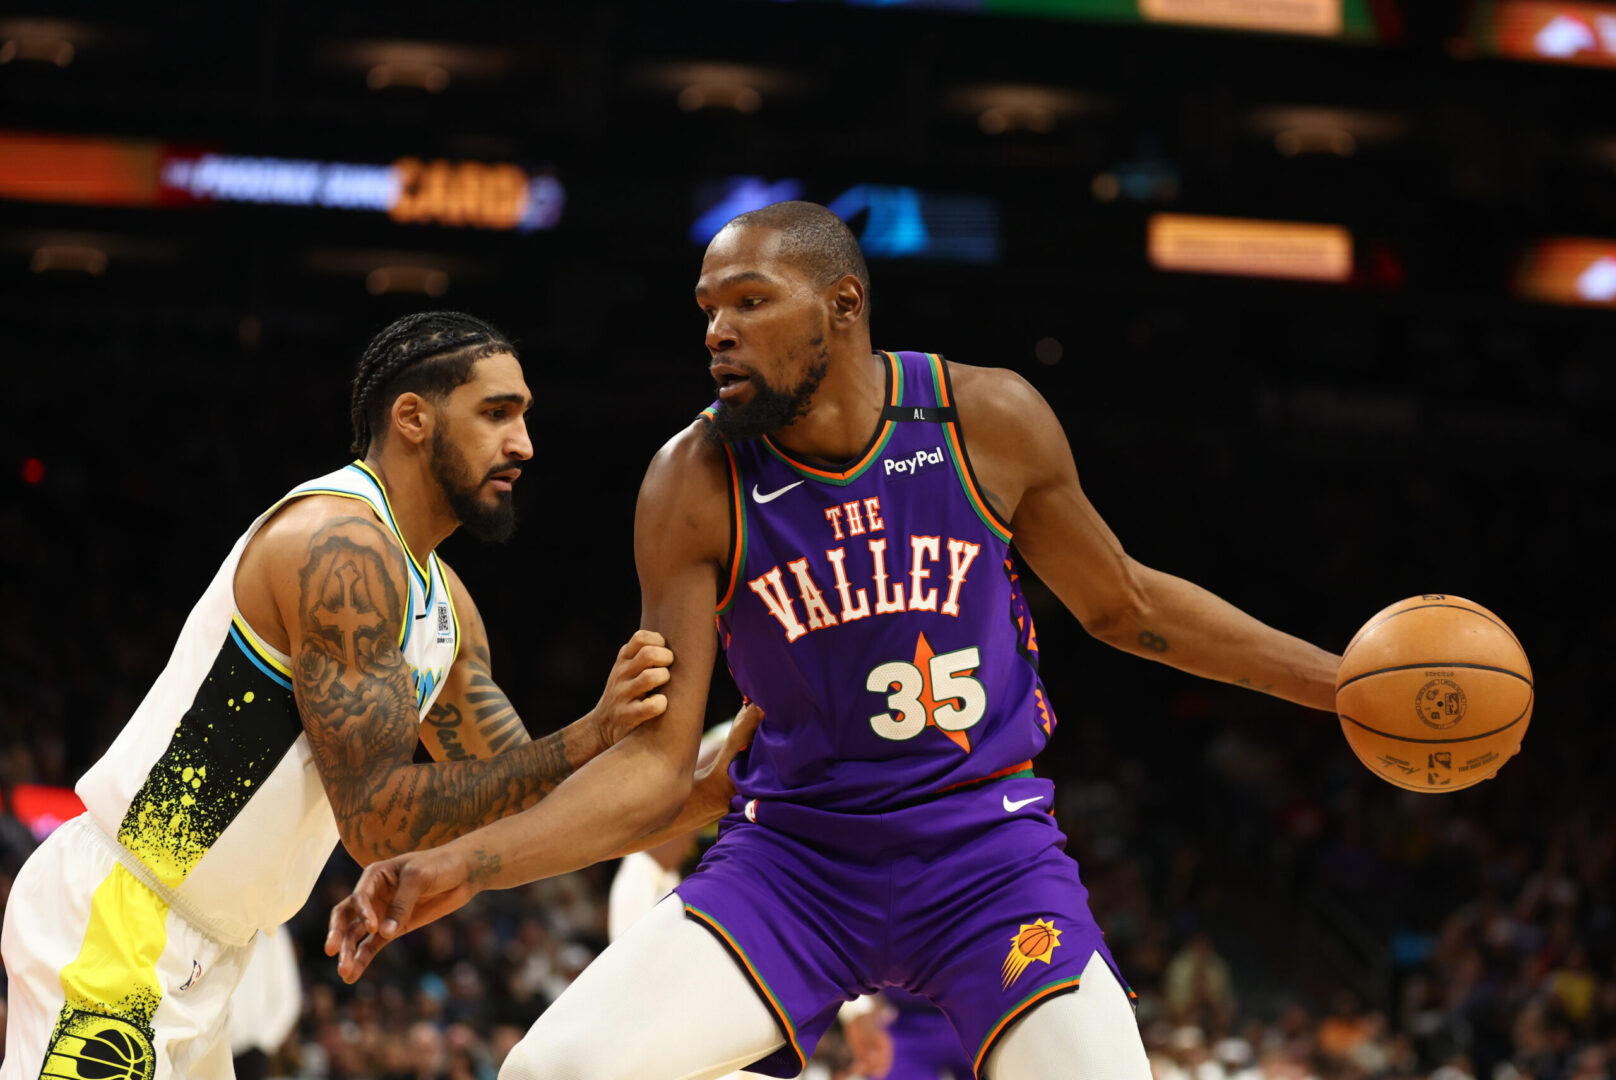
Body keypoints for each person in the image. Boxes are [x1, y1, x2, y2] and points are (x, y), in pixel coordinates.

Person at [327, 204, 1344, 1080]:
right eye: (708, 310)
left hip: (986, 858)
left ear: (842, 305)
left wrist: (1339, 684)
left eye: (750, 301)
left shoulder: (982, 419)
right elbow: (653, 766)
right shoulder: (691, 481)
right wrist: (466, 863)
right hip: (794, 865)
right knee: (550, 1071)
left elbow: (1124, 604)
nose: (718, 332)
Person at [0, 311, 747, 1079]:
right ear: (413, 418)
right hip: (122, 921)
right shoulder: (336, 546)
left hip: (215, 953)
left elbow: (534, 807)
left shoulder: (445, 603)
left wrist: (709, 791)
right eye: (496, 414)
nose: (523, 444)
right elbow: (377, 822)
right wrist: (590, 732)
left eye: (524, 417)